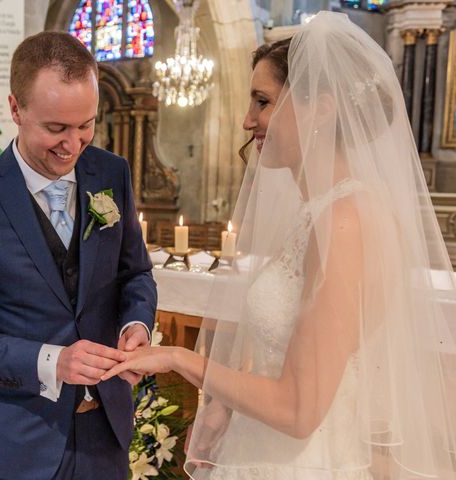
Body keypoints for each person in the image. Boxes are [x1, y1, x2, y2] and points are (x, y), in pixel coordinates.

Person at [103, 12, 456, 479]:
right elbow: (289, 346)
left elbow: (299, 409)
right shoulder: (319, 213)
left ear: (323, 109)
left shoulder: (345, 221)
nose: (248, 121)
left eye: (263, 101)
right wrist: (225, 408)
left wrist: (175, 357)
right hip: (262, 447)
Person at [0, 31, 157, 480]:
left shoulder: (112, 172)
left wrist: (137, 324)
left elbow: (136, 273)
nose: (73, 144)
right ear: (16, 109)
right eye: (55, 127)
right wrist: (52, 362)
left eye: (85, 125)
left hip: (104, 435)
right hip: (18, 441)